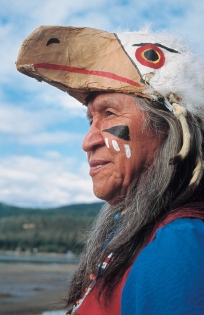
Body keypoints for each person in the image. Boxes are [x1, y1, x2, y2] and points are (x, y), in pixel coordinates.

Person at [16, 26, 204, 314]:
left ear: (169, 129)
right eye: (90, 120)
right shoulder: (133, 228)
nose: (88, 141)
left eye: (109, 113)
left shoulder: (180, 245)